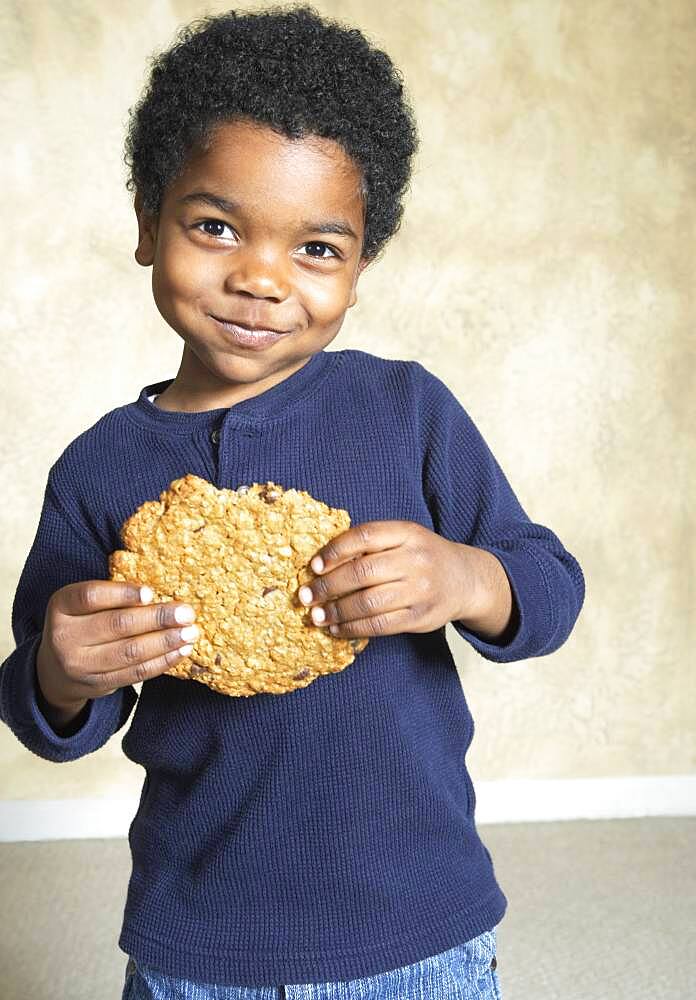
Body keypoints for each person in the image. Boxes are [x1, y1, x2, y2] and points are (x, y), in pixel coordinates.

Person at [0, 7, 585, 999]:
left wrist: (467, 576)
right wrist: (60, 673)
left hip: (416, 928)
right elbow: (46, 701)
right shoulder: (101, 469)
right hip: (199, 939)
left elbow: (550, 587)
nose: (261, 278)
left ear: (360, 269)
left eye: (316, 248)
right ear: (148, 220)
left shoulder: (406, 411)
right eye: (216, 225)